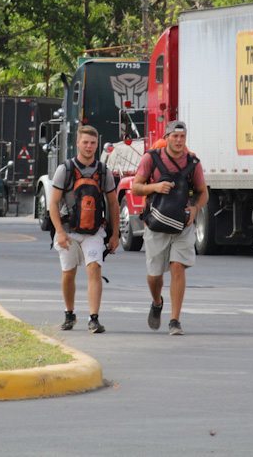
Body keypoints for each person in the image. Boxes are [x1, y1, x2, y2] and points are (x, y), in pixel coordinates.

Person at [132, 120, 207, 335]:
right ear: (166, 137)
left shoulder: (193, 162)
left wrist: (195, 209)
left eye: (182, 137)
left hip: (182, 224)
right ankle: (157, 302)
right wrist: (156, 187)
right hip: (156, 224)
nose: (179, 141)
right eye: (174, 136)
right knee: (154, 275)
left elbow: (203, 192)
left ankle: (175, 320)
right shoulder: (151, 158)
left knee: (177, 267)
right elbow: (136, 187)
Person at [49, 125, 120, 334]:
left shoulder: (103, 171)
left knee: (94, 269)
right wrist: (59, 232)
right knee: (68, 273)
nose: (89, 147)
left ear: (97, 144)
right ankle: (69, 313)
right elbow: (53, 203)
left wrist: (115, 234)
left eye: (93, 143)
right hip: (69, 230)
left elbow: (113, 203)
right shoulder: (66, 169)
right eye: (85, 142)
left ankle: (94, 318)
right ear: (77, 143)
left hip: (94, 231)